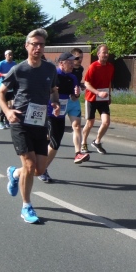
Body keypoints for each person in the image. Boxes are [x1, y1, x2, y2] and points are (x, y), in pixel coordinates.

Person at [0, 29, 60, 224]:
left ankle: (14, 173)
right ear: (27, 46)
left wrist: (55, 102)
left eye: (41, 44)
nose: (38, 47)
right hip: (20, 122)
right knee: (29, 165)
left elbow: (53, 90)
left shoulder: (50, 69)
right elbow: (0, 92)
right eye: (34, 44)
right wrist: (8, 112)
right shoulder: (19, 69)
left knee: (39, 170)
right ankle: (26, 206)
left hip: (40, 123)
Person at [38, 52, 84, 183]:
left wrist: (77, 94)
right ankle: (42, 169)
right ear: (61, 63)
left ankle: (41, 164)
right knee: (54, 143)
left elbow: (73, 98)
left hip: (61, 114)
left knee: (54, 143)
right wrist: (51, 92)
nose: (72, 64)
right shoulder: (53, 75)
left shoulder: (73, 77)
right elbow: (40, 91)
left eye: (73, 62)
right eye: (69, 62)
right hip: (49, 112)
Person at [81, 44, 114, 154]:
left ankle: (97, 141)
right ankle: (83, 143)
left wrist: (109, 95)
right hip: (91, 98)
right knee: (90, 123)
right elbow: (86, 84)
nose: (106, 54)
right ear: (98, 54)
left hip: (103, 99)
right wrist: (98, 92)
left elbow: (109, 82)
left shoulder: (110, 67)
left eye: (107, 52)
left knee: (106, 122)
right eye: (103, 52)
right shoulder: (93, 67)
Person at [70, 48, 89, 163]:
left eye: (81, 57)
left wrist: (80, 85)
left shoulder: (80, 69)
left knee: (77, 126)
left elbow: (76, 81)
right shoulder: (67, 68)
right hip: (62, 100)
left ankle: (78, 153)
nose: (80, 60)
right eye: (77, 58)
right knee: (54, 132)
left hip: (74, 101)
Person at [0, 50, 17, 129]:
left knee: (13, 105)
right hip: (3, 87)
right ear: (5, 55)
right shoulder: (1, 63)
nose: (11, 56)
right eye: (9, 54)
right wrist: (3, 74)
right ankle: (1, 121)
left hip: (12, 87)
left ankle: (7, 121)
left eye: (11, 54)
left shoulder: (14, 63)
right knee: (5, 106)